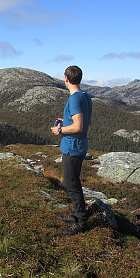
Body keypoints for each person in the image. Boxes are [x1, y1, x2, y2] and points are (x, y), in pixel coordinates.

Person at [51, 65, 93, 236]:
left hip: (72, 148)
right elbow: (85, 122)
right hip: (79, 146)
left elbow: (78, 126)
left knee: (71, 184)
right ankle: (76, 215)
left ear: (66, 79)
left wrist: (59, 130)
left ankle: (81, 220)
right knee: (73, 181)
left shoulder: (74, 99)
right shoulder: (85, 96)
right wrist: (65, 120)